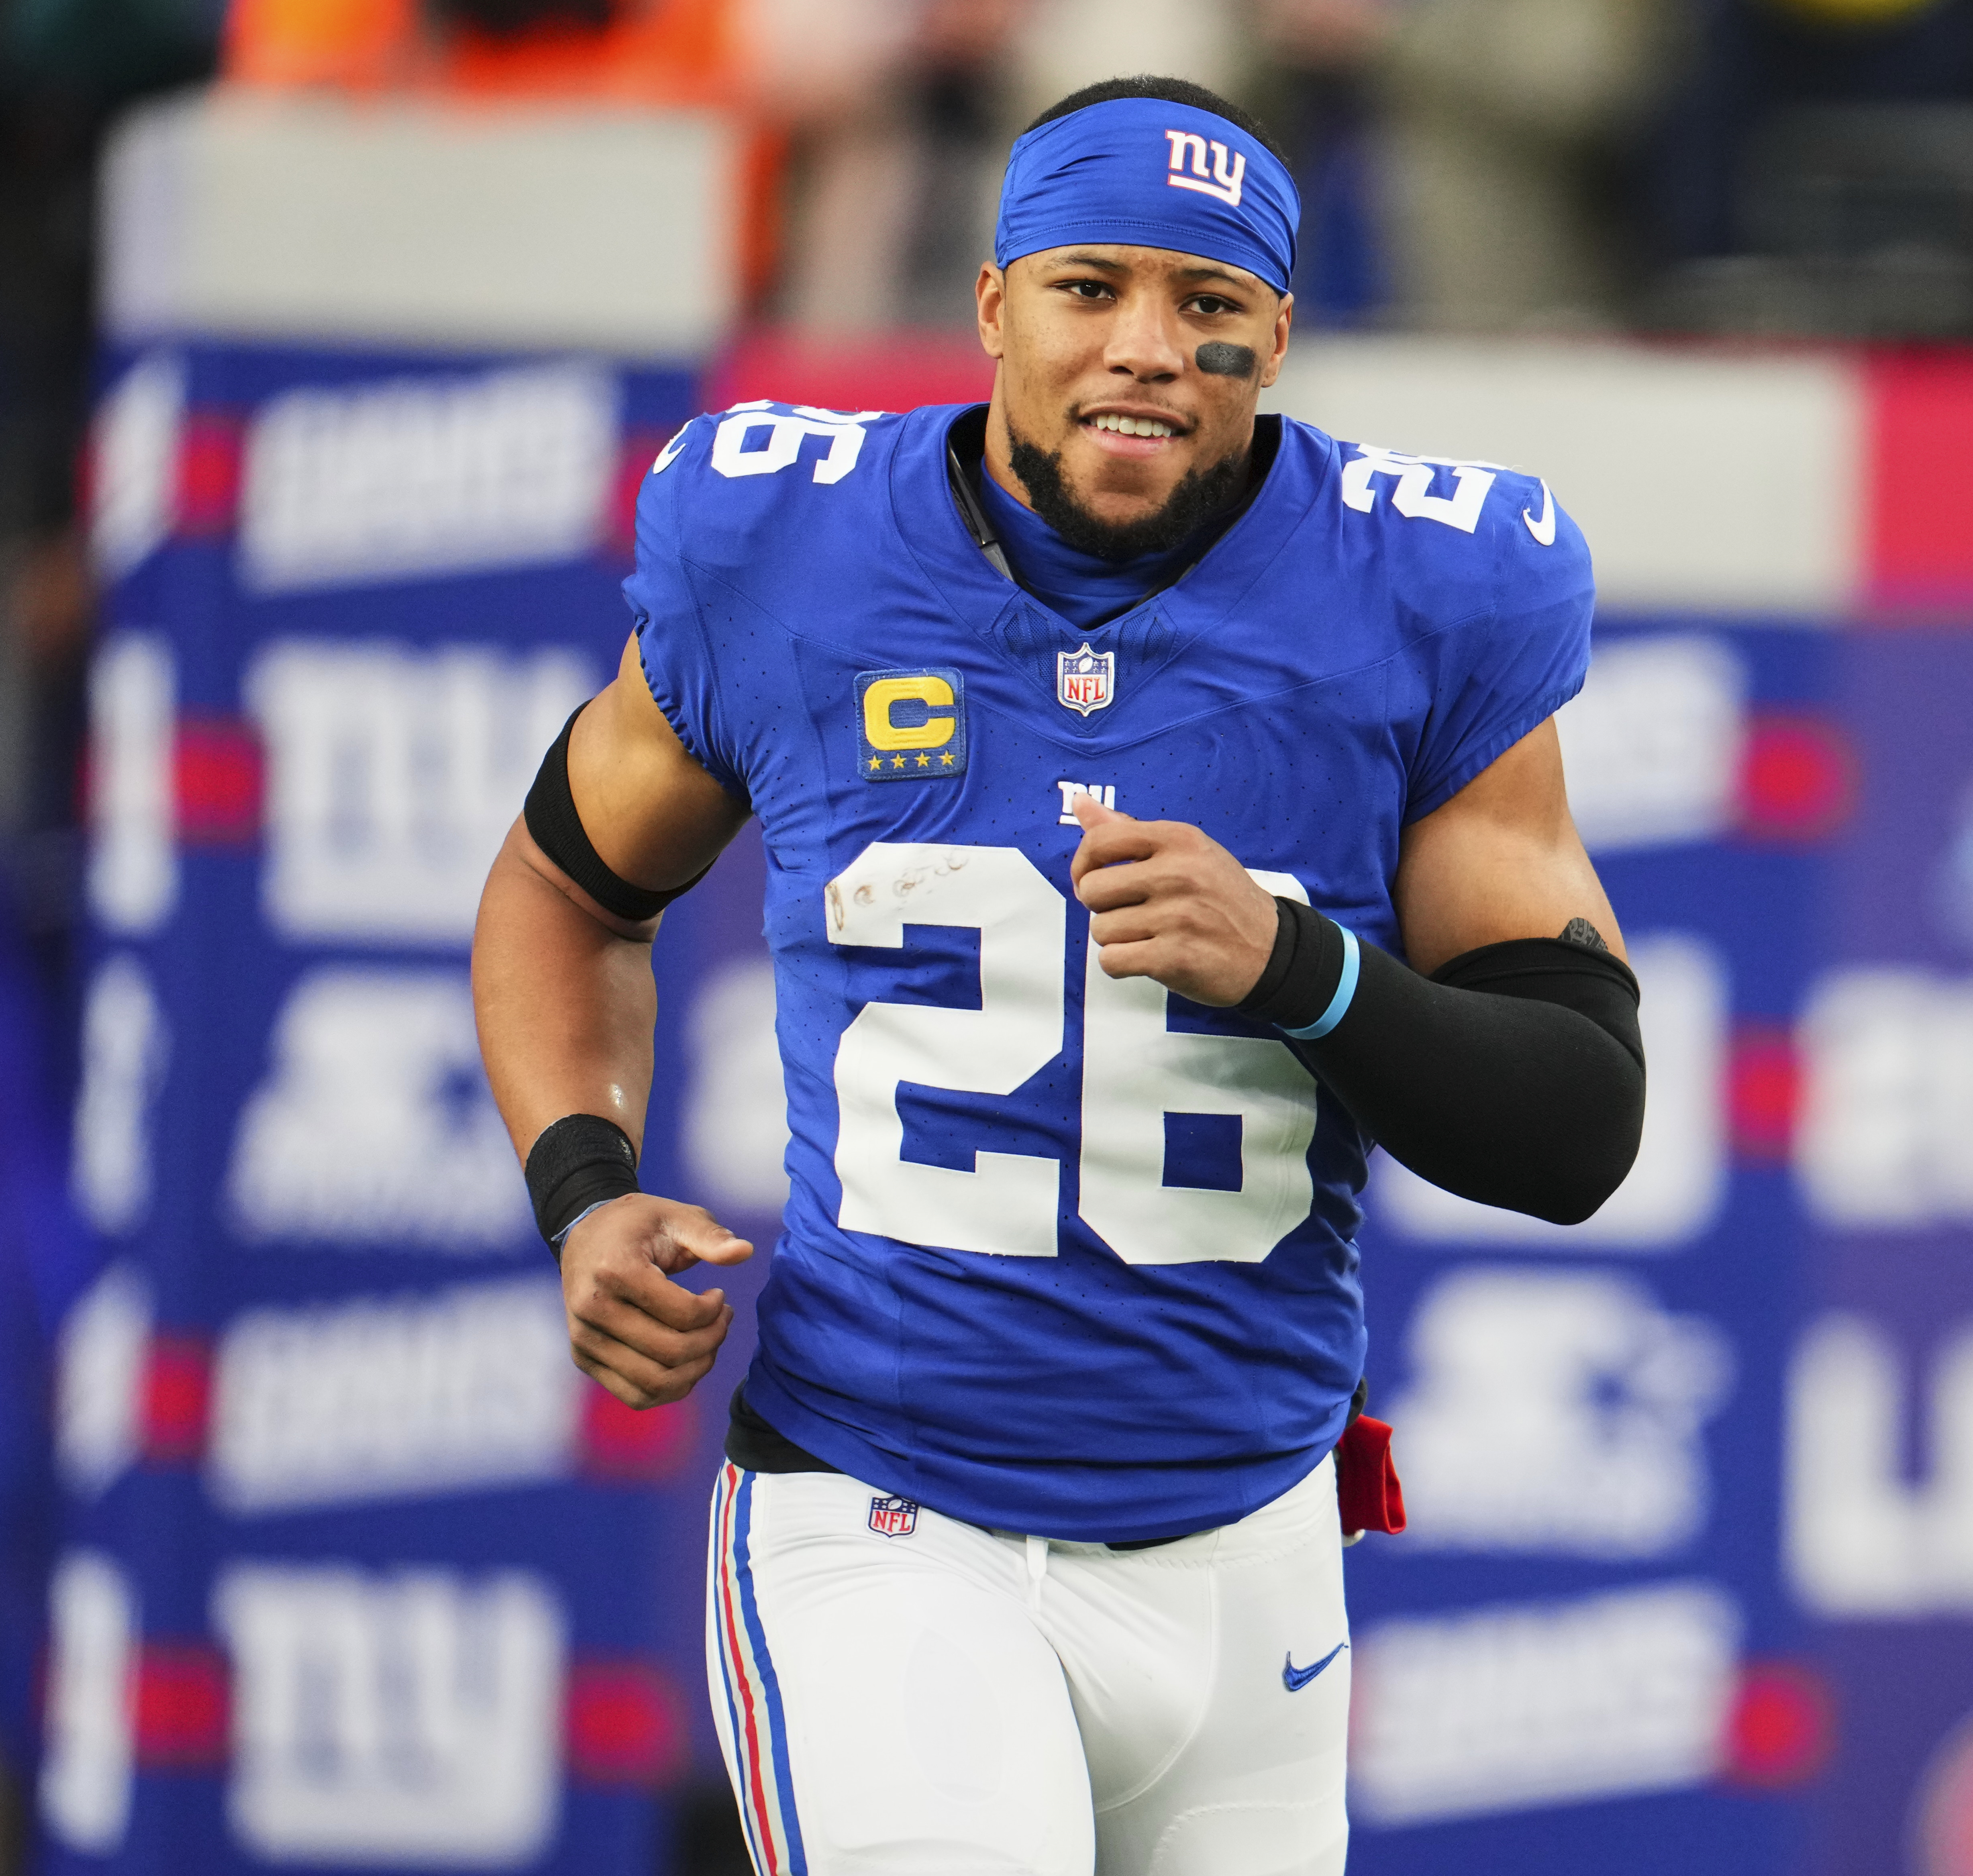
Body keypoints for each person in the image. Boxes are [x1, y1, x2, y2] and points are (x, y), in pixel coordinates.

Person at [468, 73, 1646, 1876]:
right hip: (888, 1512)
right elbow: (562, 891)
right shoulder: (786, 547)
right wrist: (582, 1185)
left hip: (1253, 1545)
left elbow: (1576, 1122)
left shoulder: (1427, 588)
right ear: (995, 303)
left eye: (1210, 306)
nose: (1149, 349)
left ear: (1279, 338)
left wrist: (1309, 972)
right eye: (1092, 287)